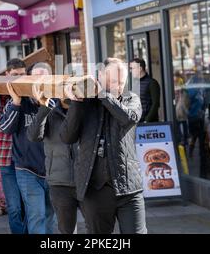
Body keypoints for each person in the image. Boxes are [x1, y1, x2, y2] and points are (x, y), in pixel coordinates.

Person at [60, 57, 147, 234]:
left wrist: (104, 95)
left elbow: (127, 118)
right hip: (95, 189)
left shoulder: (132, 99)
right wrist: (76, 103)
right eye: (113, 80)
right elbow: (67, 137)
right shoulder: (85, 102)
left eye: (121, 82)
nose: (118, 86)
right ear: (100, 75)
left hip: (128, 188)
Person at [0, 63, 56, 234]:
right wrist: (15, 103)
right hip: (27, 170)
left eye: (43, 77)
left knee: (50, 215)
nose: (39, 81)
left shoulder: (58, 102)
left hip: (53, 170)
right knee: (36, 215)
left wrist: (46, 105)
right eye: (35, 76)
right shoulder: (18, 100)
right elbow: (5, 128)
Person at [27, 88, 84, 234]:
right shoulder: (49, 109)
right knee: (66, 230)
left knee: (95, 228)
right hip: (59, 181)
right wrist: (44, 108)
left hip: (86, 179)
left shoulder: (84, 107)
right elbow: (33, 136)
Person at [0, 58, 27, 234]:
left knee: (27, 205)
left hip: (26, 157)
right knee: (14, 206)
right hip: (6, 156)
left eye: (22, 74)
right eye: (15, 75)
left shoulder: (28, 93)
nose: (19, 78)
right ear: (7, 74)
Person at [129, 58, 161, 123]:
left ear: (140, 69)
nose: (131, 71)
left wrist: (147, 120)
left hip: (149, 124)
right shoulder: (134, 84)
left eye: (133, 68)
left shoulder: (152, 83)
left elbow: (156, 104)